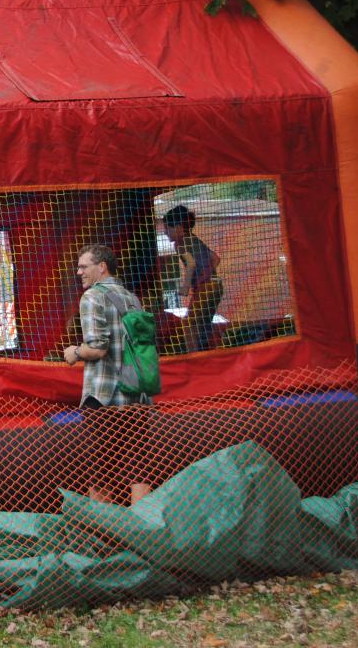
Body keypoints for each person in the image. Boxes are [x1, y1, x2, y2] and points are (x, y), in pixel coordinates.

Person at [62, 244, 152, 505]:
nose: (79, 272)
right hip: (135, 394)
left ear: (102, 267)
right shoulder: (132, 298)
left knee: (100, 471)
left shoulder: (91, 297)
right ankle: (141, 529)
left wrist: (75, 352)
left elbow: (98, 348)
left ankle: (104, 538)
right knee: (138, 468)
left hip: (103, 397)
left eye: (83, 266)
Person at [163, 205, 223, 353]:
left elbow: (191, 264)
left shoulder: (180, 243)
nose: (165, 233)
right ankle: (206, 351)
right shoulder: (194, 239)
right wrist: (207, 275)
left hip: (206, 288)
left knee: (189, 325)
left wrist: (186, 286)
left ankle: (194, 356)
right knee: (202, 323)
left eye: (168, 229)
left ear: (178, 227)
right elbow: (215, 258)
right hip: (217, 286)